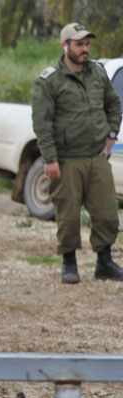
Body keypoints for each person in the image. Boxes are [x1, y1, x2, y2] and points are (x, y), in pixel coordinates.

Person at [30, 22, 123, 284]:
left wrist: (112, 134)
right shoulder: (49, 80)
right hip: (66, 159)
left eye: (87, 44)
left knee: (106, 213)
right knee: (68, 215)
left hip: (97, 156)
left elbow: (113, 103)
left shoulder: (97, 72)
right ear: (65, 46)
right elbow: (42, 123)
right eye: (79, 44)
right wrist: (49, 159)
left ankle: (104, 261)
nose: (85, 49)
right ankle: (69, 263)